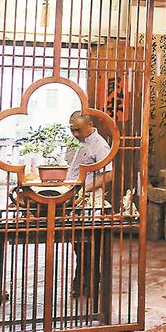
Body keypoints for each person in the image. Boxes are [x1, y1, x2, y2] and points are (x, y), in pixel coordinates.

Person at [66, 112, 113, 300]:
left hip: (90, 201)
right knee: (78, 244)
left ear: (90, 124)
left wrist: (83, 190)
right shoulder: (74, 141)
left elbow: (108, 175)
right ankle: (82, 279)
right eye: (72, 129)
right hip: (72, 199)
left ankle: (90, 282)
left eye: (78, 129)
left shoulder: (100, 145)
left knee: (90, 244)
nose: (75, 133)